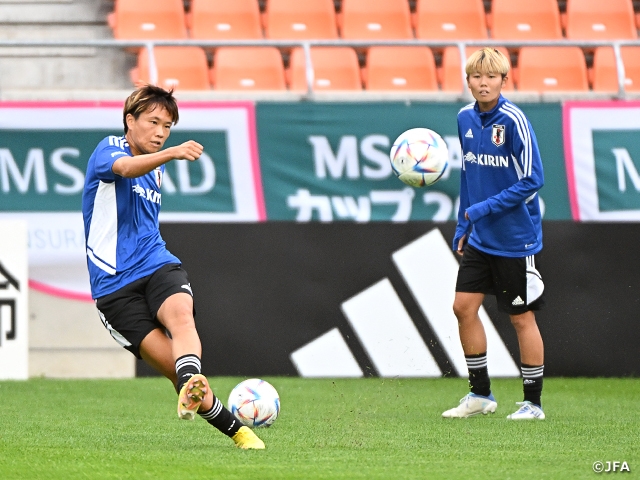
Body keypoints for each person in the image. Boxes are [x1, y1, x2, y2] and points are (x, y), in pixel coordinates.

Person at [81, 84, 265, 448]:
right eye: (153, 122)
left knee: (181, 318)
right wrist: (172, 154)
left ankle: (201, 386)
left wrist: (165, 156)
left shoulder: (157, 169)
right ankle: (238, 432)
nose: (161, 133)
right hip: (113, 288)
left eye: (168, 126)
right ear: (129, 121)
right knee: (175, 374)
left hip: (156, 264)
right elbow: (126, 168)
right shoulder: (110, 149)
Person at [442, 48, 546, 420]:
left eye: (491, 77)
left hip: (516, 238)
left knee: (521, 318)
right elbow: (469, 177)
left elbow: (534, 179)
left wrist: (482, 210)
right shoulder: (464, 118)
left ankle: (533, 403)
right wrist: (463, 224)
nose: (483, 83)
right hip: (480, 236)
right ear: (468, 81)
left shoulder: (515, 120)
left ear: (504, 80)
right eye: (476, 77)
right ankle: (481, 395)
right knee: (463, 307)